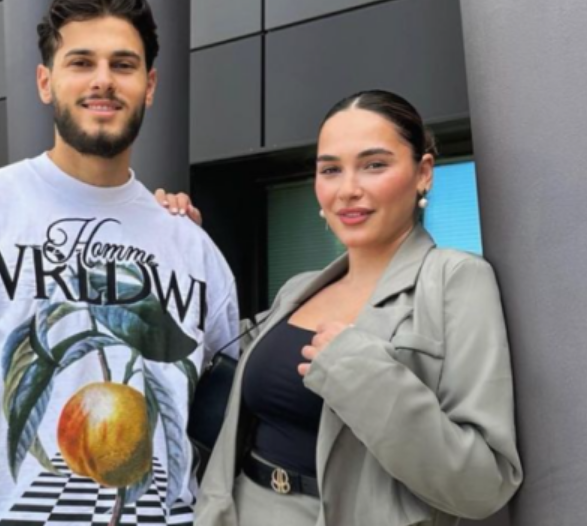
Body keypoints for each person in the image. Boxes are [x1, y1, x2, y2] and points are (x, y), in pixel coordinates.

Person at [0, 0, 238, 526]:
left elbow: (222, 415)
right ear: (45, 81)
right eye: (81, 62)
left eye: (123, 65)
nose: (103, 80)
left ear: (150, 85)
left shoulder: (192, 249)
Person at [158, 90, 522, 526]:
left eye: (374, 165)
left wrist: (363, 374)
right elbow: (196, 344)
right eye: (331, 169)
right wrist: (175, 248)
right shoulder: (299, 289)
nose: (348, 190)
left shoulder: (456, 280)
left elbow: (483, 484)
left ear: (423, 173)